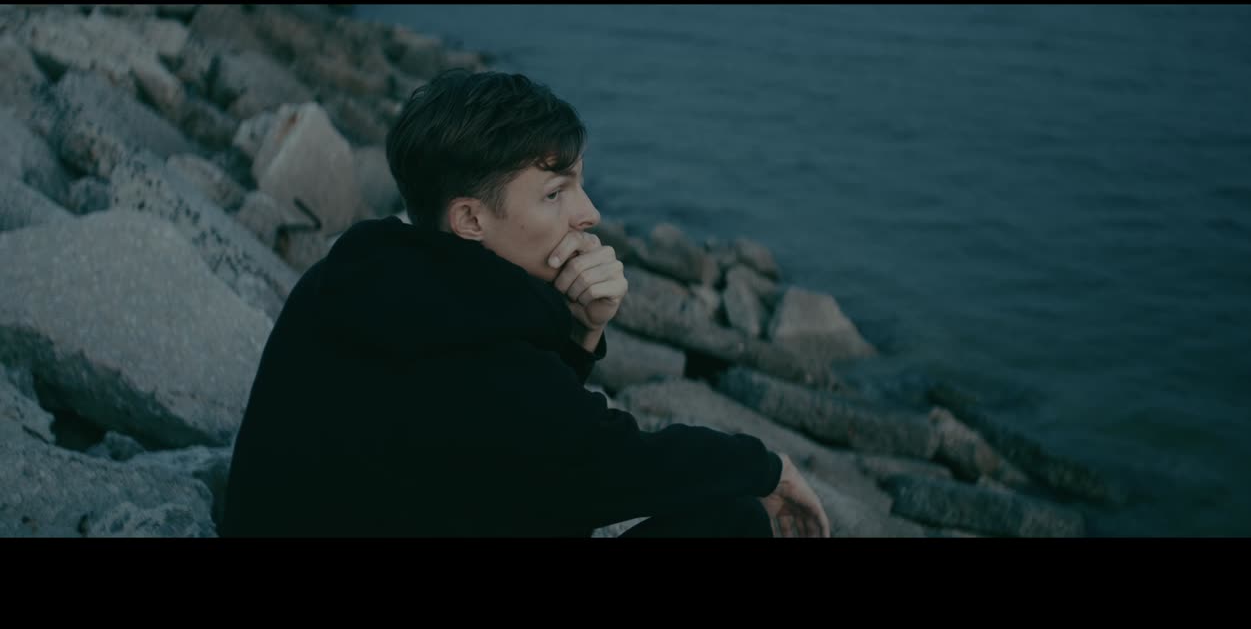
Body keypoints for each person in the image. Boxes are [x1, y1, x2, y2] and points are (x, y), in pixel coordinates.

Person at [219, 69, 830, 538]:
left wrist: (582, 333)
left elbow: (526, 442)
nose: (588, 214)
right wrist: (768, 468)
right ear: (470, 218)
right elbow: (604, 461)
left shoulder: (355, 277)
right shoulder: (480, 351)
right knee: (731, 524)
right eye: (555, 193)